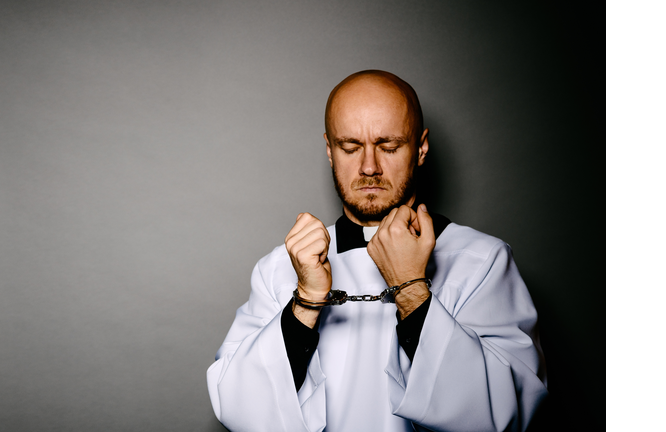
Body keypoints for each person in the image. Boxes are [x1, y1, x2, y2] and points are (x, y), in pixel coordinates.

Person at [206, 70, 548, 432]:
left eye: (389, 146)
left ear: (421, 148)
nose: (369, 167)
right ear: (329, 151)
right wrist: (305, 301)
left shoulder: (483, 262)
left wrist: (411, 289)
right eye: (350, 147)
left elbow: (510, 414)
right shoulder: (280, 267)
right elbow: (235, 405)